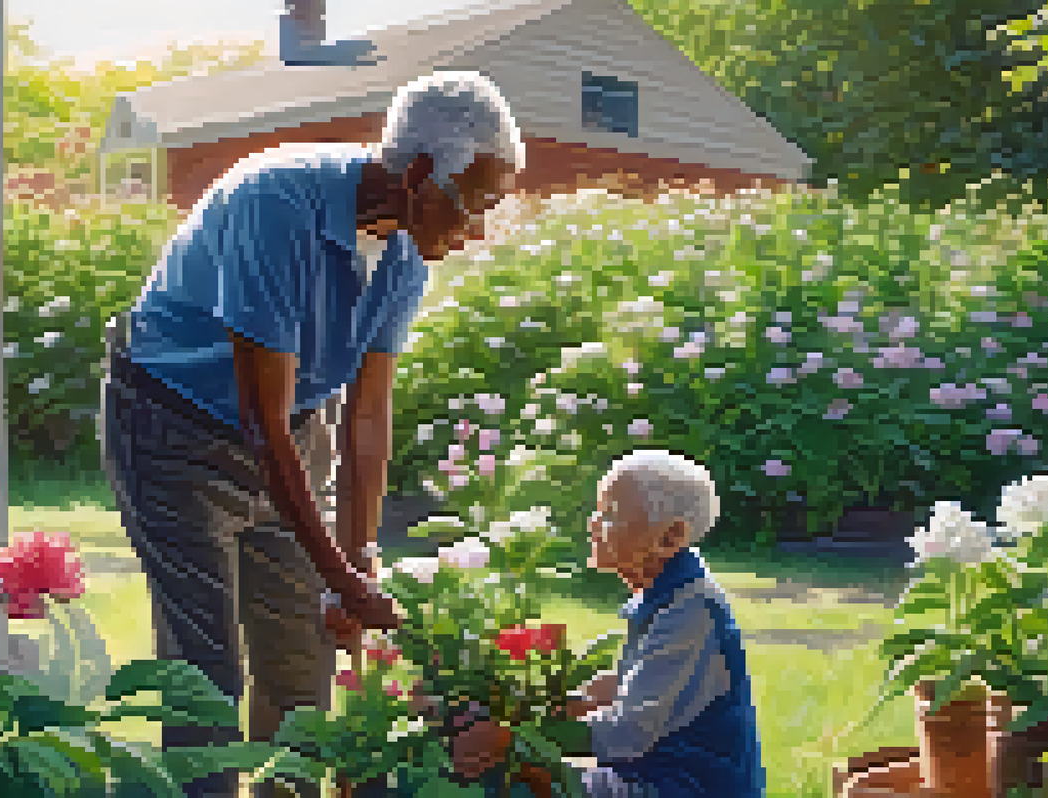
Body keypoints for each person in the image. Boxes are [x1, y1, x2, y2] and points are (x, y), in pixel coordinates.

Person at [102, 70, 524, 798]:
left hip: (295, 432)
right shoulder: (274, 202)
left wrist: (357, 560)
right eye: (476, 204)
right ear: (419, 173)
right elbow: (260, 423)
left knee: (302, 667)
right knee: (206, 679)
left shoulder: (402, 259)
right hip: (173, 427)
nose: (478, 229)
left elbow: (365, 418)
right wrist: (343, 581)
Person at [451, 450, 767, 797]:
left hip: (685, 786)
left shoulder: (690, 612)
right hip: (659, 774)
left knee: (512, 780)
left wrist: (517, 738)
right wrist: (543, 707)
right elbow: (619, 685)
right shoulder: (668, 594)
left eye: (610, 515)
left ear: (669, 538)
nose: (593, 525)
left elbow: (625, 735)